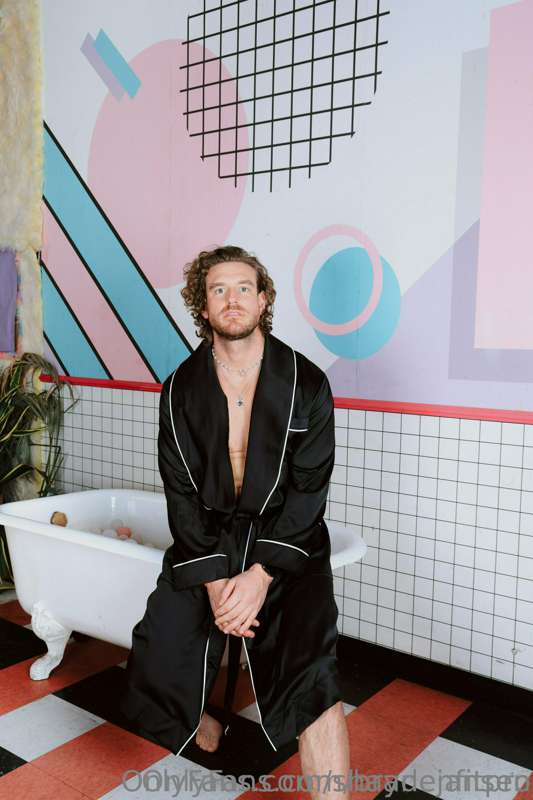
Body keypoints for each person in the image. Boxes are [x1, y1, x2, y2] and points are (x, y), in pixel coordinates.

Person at [120, 245, 351, 798]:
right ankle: (202, 716)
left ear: (263, 298)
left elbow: (309, 491)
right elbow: (180, 492)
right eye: (218, 290)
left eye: (244, 287)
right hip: (209, 536)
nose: (232, 300)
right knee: (160, 651)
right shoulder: (181, 388)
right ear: (203, 306)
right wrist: (218, 584)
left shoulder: (306, 383)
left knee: (311, 675)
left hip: (287, 538)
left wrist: (261, 576)